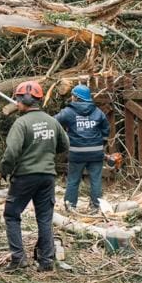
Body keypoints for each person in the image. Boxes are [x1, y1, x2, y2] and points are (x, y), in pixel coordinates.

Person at [0, 80, 69, 272]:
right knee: (45, 218)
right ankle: (46, 261)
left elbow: (11, 152)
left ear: (22, 101)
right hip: (47, 176)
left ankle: (18, 259)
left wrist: (3, 170)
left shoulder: (21, 123)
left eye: (17, 100)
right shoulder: (52, 121)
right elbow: (65, 145)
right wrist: (47, 153)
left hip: (24, 176)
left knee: (12, 215)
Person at [55, 84, 110, 213]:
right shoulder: (97, 111)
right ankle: (96, 207)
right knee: (96, 180)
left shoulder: (68, 112)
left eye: (73, 95)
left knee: (73, 180)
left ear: (77, 97)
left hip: (77, 153)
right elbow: (106, 130)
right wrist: (101, 144)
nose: (71, 97)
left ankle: (70, 206)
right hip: (96, 152)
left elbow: (54, 122)